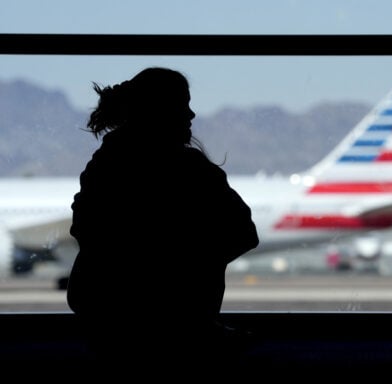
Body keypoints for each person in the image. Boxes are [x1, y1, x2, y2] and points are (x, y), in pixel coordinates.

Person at [66, 67, 259, 371]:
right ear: (159, 111)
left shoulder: (103, 167)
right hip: (183, 333)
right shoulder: (191, 171)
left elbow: (86, 232)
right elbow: (243, 233)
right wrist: (193, 266)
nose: (191, 114)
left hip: (107, 330)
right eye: (183, 105)